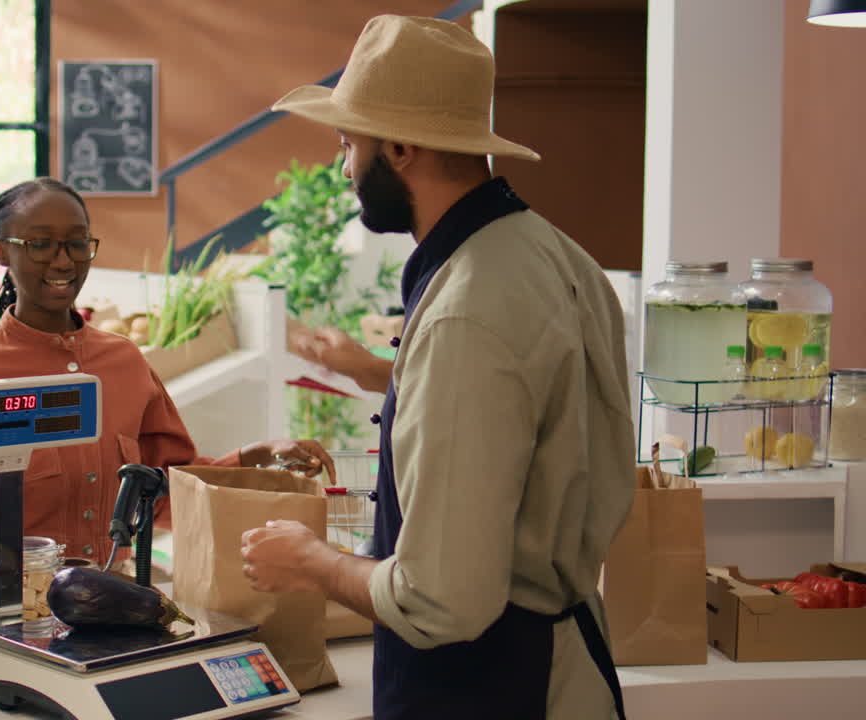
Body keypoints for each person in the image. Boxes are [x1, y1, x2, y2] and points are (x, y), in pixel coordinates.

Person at [240, 16, 633, 720]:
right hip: (563, 663)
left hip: (493, 688)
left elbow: (443, 600)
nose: (344, 168)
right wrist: (383, 375)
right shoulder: (553, 253)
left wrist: (310, 560)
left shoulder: (463, 311)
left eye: (348, 143)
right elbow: (525, 411)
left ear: (399, 147)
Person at [0, 177, 334, 565]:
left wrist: (256, 456)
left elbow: (163, 491)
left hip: (111, 599)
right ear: (2, 253)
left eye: (76, 243)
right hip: (6, 610)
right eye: (40, 244)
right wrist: (24, 570)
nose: (63, 261)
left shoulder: (125, 363)